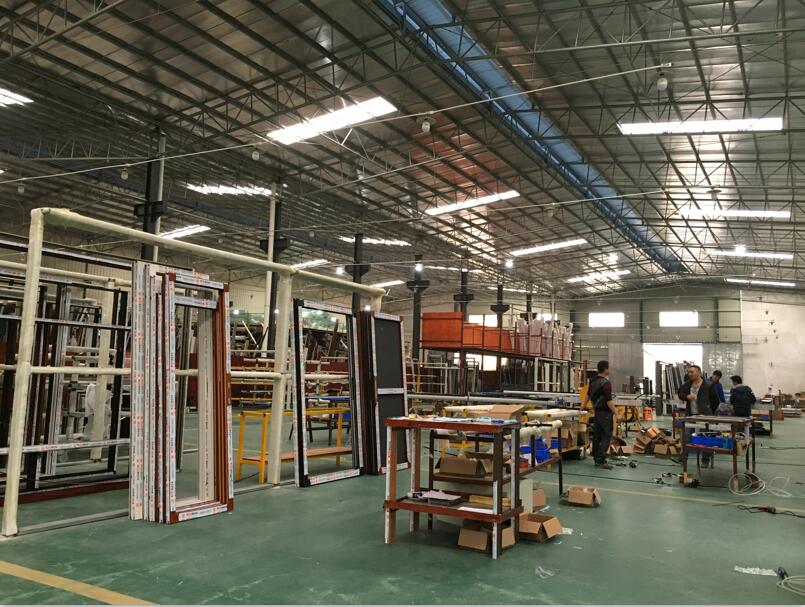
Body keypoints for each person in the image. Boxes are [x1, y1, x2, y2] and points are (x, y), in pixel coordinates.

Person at [678, 365, 720, 466]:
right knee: (687, 436)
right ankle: (683, 458)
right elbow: (680, 393)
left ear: (699, 373)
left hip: (704, 416)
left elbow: (715, 401)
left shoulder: (708, 385)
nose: (690, 374)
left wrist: (708, 411)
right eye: (689, 372)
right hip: (691, 415)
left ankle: (705, 459)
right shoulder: (688, 384)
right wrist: (686, 396)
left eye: (692, 372)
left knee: (705, 436)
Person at [583, 360, 619, 470]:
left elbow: (588, 395)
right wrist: (617, 413)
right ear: (605, 369)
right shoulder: (606, 383)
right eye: (609, 368)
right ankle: (600, 460)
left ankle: (596, 457)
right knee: (606, 436)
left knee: (597, 436)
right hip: (605, 413)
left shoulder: (592, 381)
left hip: (597, 413)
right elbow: (609, 401)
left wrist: (582, 405)